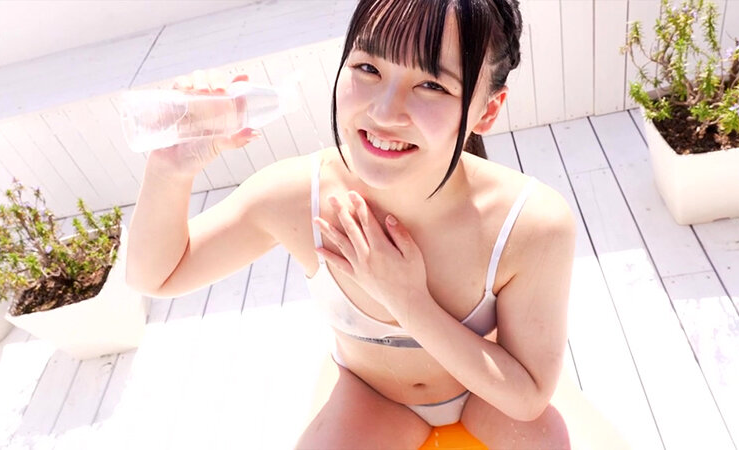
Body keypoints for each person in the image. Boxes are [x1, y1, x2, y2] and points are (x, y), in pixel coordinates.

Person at [127, 0, 630, 448]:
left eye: (431, 85)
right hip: (371, 396)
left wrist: (406, 300)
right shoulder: (298, 197)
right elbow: (157, 276)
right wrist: (172, 168)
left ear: (487, 109)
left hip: (487, 389)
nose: (385, 111)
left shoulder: (527, 223)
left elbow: (526, 398)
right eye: (368, 67)